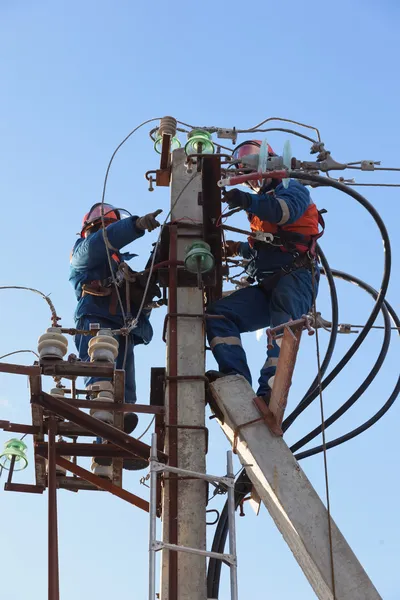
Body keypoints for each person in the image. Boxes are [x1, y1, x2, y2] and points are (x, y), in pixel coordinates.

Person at [206, 140, 324, 403]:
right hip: (269, 281)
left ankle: (270, 392)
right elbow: (264, 249)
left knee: (282, 328)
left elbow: (285, 214)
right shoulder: (258, 204)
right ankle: (234, 378)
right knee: (218, 315)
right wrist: (237, 249)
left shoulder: (291, 187)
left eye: (251, 156)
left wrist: (246, 200)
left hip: (297, 276)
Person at [69, 202, 162, 470]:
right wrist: (134, 226)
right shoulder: (84, 252)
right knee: (103, 386)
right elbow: (102, 242)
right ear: (92, 229)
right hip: (96, 323)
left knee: (124, 392)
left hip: (122, 329)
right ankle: (103, 444)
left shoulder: (119, 265)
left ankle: (114, 445)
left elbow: (137, 312)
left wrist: (144, 301)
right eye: (107, 228)